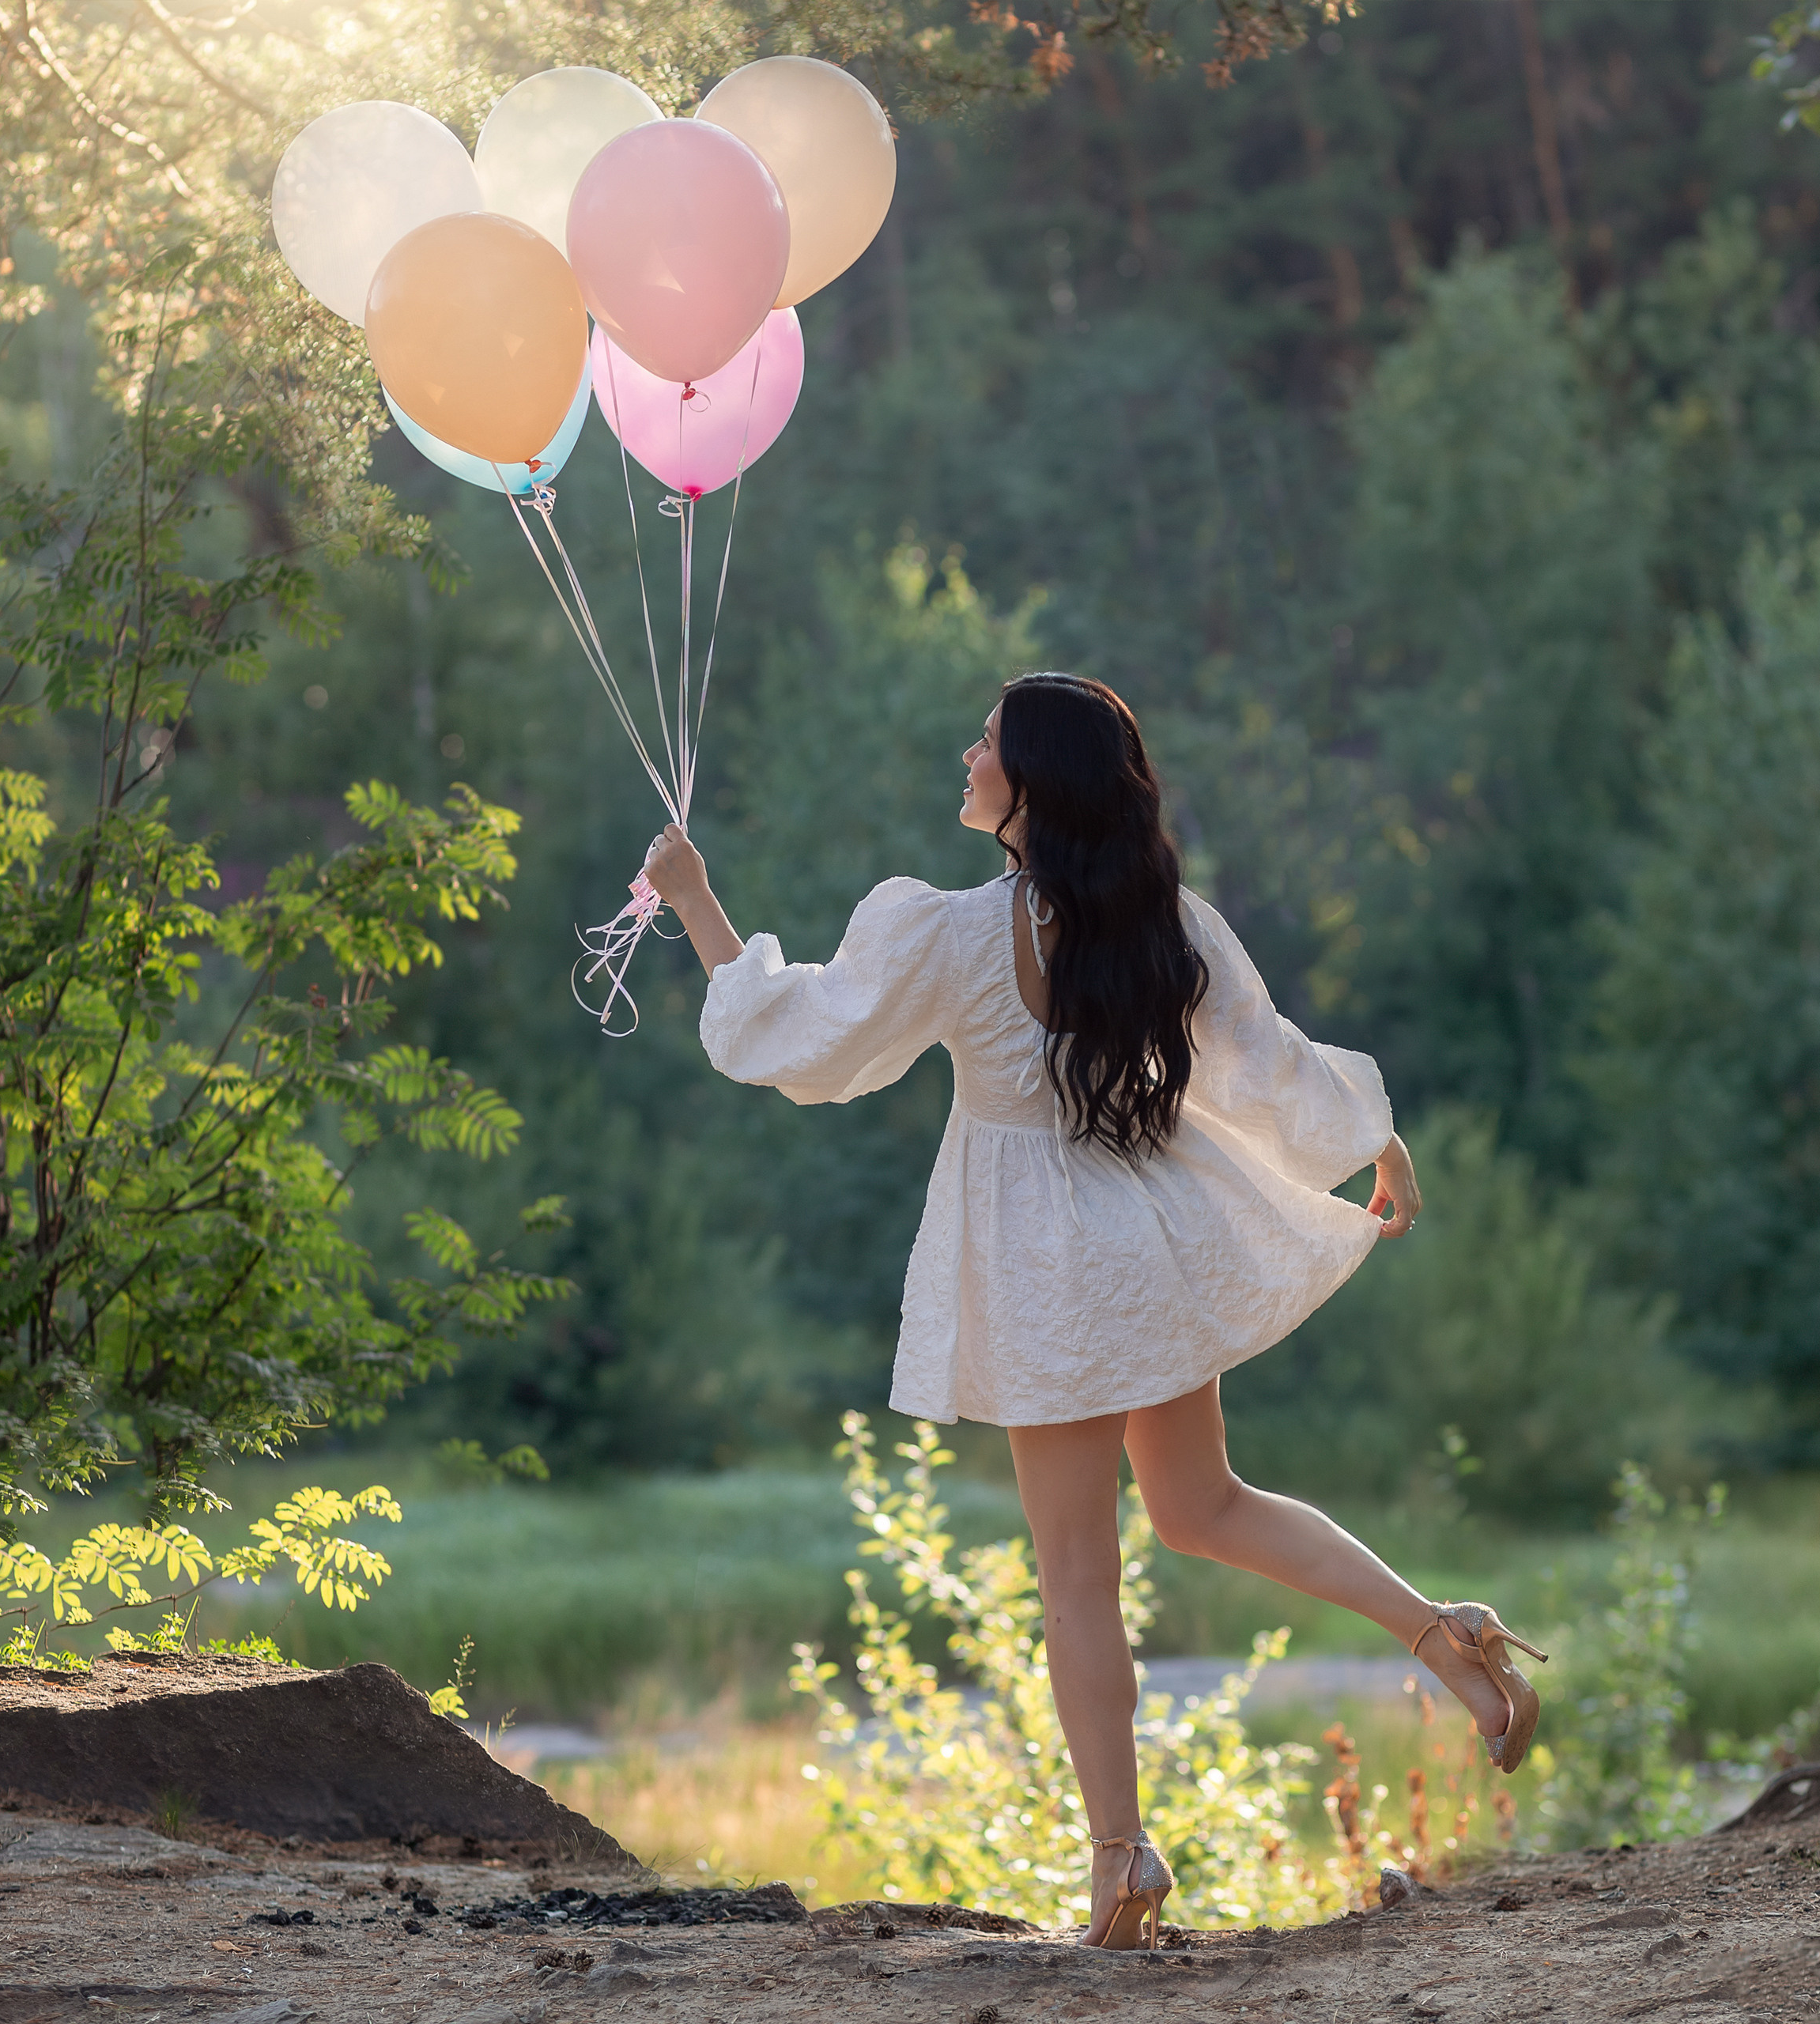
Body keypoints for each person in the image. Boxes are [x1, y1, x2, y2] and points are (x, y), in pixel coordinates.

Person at [643, 672, 1546, 1950]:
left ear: (1032, 788)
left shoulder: (955, 934)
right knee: (1204, 1507)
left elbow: (809, 1045)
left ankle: (1120, 1860)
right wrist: (1374, 1138)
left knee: (1078, 1576)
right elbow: (1272, 1061)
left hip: (1042, 1273)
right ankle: (1446, 1633)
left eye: (990, 747)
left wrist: (695, 904)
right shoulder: (1160, 918)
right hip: (1150, 1241)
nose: (968, 757)